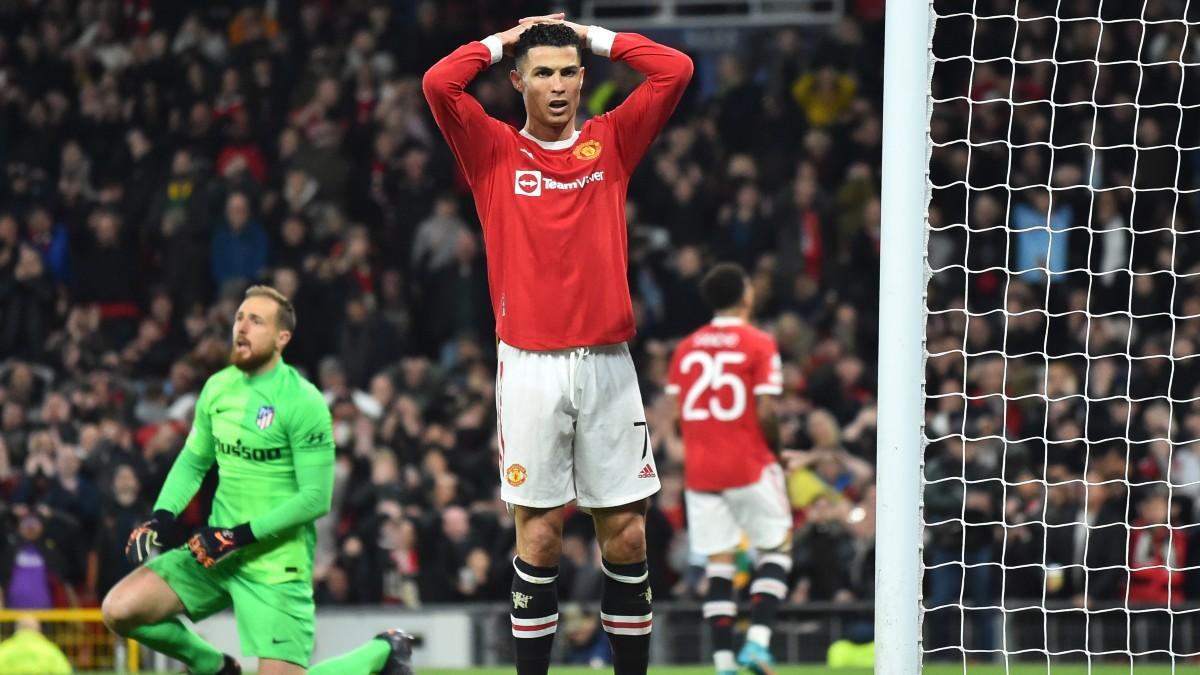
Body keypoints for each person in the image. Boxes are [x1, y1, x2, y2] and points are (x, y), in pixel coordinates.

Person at [424, 13, 692, 675]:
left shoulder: (613, 140)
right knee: (540, 534)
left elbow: (676, 70)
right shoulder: (492, 152)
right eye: (542, 71)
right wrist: (503, 39)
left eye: (570, 71)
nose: (558, 84)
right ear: (517, 81)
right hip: (530, 366)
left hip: (608, 363)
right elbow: (438, 83)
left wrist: (589, 33)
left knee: (627, 533)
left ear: (583, 79)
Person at [99, 285, 414, 675]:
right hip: (214, 552)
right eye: (239, 318)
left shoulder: (304, 401)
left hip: (274, 563)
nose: (242, 327)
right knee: (119, 609)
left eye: (257, 321)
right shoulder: (218, 387)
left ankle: (383, 652)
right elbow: (193, 461)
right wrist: (162, 517)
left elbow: (316, 498)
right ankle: (214, 666)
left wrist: (236, 537)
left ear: (283, 338)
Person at [664, 263, 790, 675]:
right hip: (748, 463)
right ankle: (757, 642)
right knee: (778, 547)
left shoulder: (686, 348)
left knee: (719, 563)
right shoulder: (758, 342)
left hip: (701, 473)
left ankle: (722, 662)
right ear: (745, 296)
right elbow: (766, 409)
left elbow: (676, 414)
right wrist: (776, 448)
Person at [0, 615, 72, 675]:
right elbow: (64, 671)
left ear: (17, 629)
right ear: (38, 629)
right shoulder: (50, 649)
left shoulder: (4, 648)